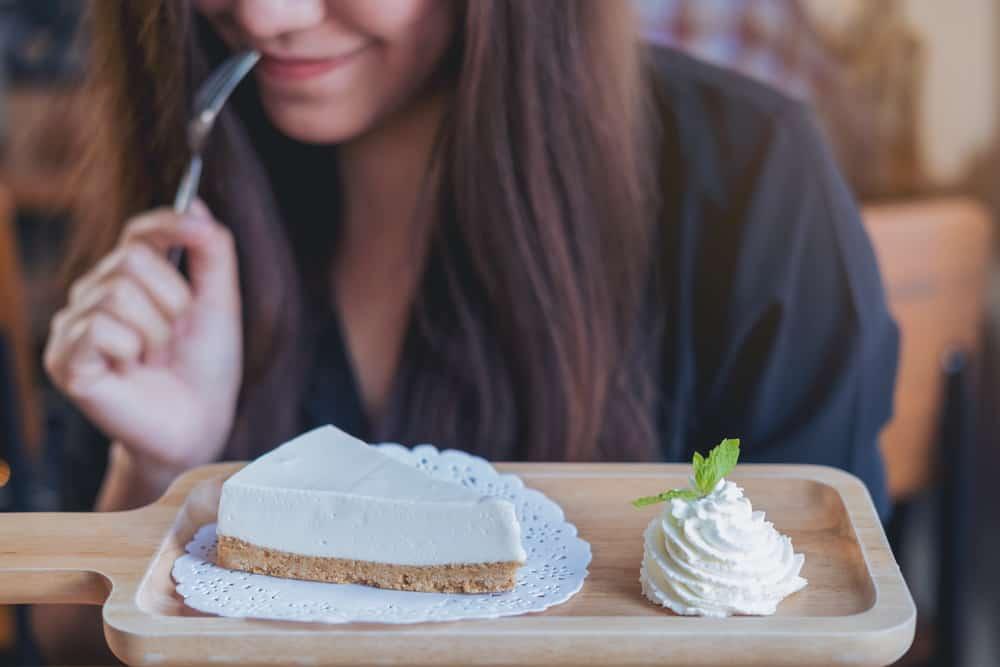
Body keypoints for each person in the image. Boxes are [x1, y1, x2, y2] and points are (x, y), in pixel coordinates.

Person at [34, 0, 898, 663]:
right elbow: (57, 646)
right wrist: (157, 468)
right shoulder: (186, 193)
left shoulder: (753, 183)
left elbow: (815, 627)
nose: (267, 16)